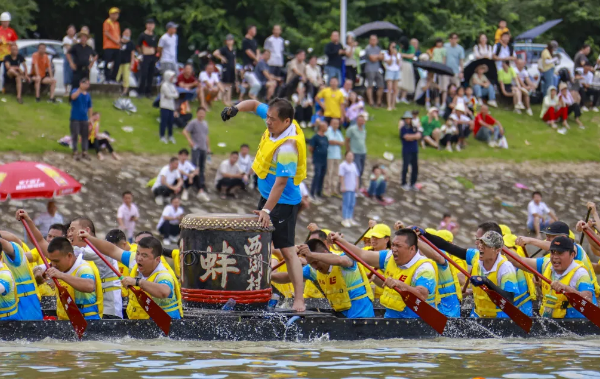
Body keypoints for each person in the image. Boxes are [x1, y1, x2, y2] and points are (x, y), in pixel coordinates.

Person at [221, 98, 307, 312]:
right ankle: (258, 293)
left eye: (273, 119)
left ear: (286, 121)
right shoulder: (275, 118)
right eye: (267, 117)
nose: (268, 121)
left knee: (287, 251)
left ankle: (299, 299)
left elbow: (281, 183)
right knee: (258, 246)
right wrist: (234, 109)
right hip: (266, 196)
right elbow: (252, 103)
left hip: (283, 202)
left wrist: (267, 210)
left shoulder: (288, 146)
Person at [332, 228, 437, 318]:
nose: (394, 249)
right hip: (391, 318)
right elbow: (362, 255)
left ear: (412, 248)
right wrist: (341, 241)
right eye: (393, 245)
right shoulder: (389, 256)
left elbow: (421, 295)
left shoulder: (424, 268)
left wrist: (400, 284)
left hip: (414, 321)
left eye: (398, 246)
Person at [77, 232, 182, 319]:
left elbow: (164, 292)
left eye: (144, 255)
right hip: (139, 325)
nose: (139, 258)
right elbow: (111, 250)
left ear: (157, 259)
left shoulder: (163, 275)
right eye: (138, 253)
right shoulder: (133, 260)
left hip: (166, 329)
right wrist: (89, 238)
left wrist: (137, 282)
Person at [273, 239, 374, 317]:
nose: (315, 267)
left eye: (316, 262)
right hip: (341, 315)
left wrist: (311, 255)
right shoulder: (312, 270)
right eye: (311, 263)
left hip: (362, 316)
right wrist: (269, 276)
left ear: (325, 252)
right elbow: (287, 277)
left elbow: (340, 260)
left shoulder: (345, 258)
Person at [510, 236, 596, 318]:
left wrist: (566, 288)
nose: (555, 257)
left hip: (573, 325)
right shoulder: (546, 263)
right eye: (552, 252)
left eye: (560, 253)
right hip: (549, 321)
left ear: (572, 255)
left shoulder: (580, 273)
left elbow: (587, 300)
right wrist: (502, 248)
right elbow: (518, 261)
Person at [182, 107, 211, 201]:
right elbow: (185, 131)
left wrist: (208, 147)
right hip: (196, 148)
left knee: (202, 167)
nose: (202, 115)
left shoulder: (205, 123)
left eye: (203, 113)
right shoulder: (193, 122)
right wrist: (190, 141)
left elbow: (206, 136)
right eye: (200, 113)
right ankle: (191, 184)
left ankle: (201, 185)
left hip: (203, 148)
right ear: (197, 113)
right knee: (194, 167)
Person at [70, 77, 93, 161]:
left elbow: (90, 107)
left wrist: (90, 118)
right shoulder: (75, 91)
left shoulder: (88, 95)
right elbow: (73, 97)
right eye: (86, 84)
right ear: (81, 83)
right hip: (75, 117)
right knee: (75, 134)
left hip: (84, 118)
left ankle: (84, 151)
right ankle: (75, 151)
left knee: (85, 135)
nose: (87, 86)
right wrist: (79, 90)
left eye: (88, 84)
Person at [399, 111, 421, 191]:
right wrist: (414, 137)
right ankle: (403, 183)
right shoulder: (403, 128)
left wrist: (412, 137)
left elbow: (419, 135)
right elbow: (406, 137)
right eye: (407, 119)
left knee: (415, 167)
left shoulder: (413, 128)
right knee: (405, 167)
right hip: (407, 150)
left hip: (414, 149)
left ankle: (413, 183)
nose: (408, 120)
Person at [212, 34, 236, 106]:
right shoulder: (224, 49)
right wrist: (221, 57)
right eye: (228, 40)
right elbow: (215, 53)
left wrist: (235, 68)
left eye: (231, 40)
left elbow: (234, 59)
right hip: (226, 68)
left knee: (230, 85)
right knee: (225, 84)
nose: (230, 41)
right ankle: (224, 99)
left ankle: (229, 99)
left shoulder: (233, 50)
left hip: (231, 68)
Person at [136, 18, 158, 98]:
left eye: (151, 25)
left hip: (152, 56)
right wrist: (141, 54)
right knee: (143, 74)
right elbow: (138, 46)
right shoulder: (143, 35)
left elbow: (156, 47)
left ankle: (148, 92)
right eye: (149, 24)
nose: (150, 26)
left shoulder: (154, 36)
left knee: (150, 75)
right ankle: (140, 92)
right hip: (145, 56)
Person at [337, 151, 359, 227]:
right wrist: (343, 186)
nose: (350, 157)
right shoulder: (343, 165)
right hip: (346, 187)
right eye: (348, 155)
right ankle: (345, 219)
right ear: (345, 156)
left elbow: (356, 176)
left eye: (351, 156)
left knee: (352, 203)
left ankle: (350, 217)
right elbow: (341, 176)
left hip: (353, 188)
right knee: (346, 203)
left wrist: (357, 185)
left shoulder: (354, 165)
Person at [345, 113, 367, 186]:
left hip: (363, 152)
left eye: (363, 120)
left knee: (362, 170)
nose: (361, 122)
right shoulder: (352, 129)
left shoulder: (364, 130)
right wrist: (348, 151)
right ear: (357, 120)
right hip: (355, 152)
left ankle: (358, 186)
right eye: (360, 120)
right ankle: (355, 186)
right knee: (358, 169)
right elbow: (347, 140)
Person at [309, 121, 329, 200]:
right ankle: (312, 192)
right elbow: (311, 148)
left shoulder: (325, 137)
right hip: (317, 159)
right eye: (325, 126)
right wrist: (314, 155)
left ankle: (319, 192)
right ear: (321, 127)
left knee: (322, 175)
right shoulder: (315, 137)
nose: (327, 128)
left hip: (324, 159)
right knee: (317, 175)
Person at [324, 118, 344, 197]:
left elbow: (342, 143)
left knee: (336, 172)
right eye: (335, 123)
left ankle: (333, 189)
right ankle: (326, 189)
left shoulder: (338, 132)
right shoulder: (328, 131)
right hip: (330, 155)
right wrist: (337, 142)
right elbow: (330, 141)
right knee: (329, 172)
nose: (336, 125)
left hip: (337, 155)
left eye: (337, 124)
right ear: (331, 123)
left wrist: (336, 142)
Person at [364, 35, 384, 107]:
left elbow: (382, 57)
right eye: (372, 40)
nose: (373, 41)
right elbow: (372, 59)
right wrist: (378, 56)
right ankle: (371, 102)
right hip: (370, 69)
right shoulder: (368, 48)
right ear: (369, 41)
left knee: (381, 85)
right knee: (370, 85)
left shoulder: (378, 48)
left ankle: (379, 101)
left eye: (375, 40)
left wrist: (376, 57)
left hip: (377, 69)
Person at [159, 70, 179, 144]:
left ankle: (170, 136)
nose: (173, 78)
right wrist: (172, 95)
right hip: (164, 106)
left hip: (171, 106)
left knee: (171, 122)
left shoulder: (173, 85)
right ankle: (162, 136)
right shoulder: (164, 85)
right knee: (164, 122)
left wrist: (172, 95)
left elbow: (176, 94)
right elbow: (169, 95)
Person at [116, 28, 134, 96]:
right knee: (116, 75)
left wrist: (132, 63)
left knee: (126, 77)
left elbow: (132, 53)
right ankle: (115, 89)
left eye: (128, 33)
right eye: (125, 33)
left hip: (127, 62)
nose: (126, 34)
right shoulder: (119, 41)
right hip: (118, 61)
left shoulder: (131, 43)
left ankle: (124, 92)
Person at [398, 36, 416, 104]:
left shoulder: (411, 47)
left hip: (408, 64)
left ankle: (403, 97)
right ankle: (397, 96)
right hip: (401, 64)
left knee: (407, 81)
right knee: (400, 81)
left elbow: (411, 56)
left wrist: (402, 55)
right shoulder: (400, 48)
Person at [383, 42, 400, 111]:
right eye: (392, 47)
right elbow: (389, 63)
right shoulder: (386, 54)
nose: (393, 48)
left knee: (395, 89)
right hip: (390, 70)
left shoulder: (398, 54)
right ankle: (389, 105)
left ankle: (393, 105)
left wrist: (395, 56)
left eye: (394, 47)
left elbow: (398, 63)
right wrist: (392, 56)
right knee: (389, 88)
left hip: (396, 71)